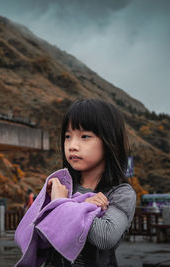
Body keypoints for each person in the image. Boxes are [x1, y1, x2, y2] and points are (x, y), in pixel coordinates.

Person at [44, 98, 136, 266]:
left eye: (85, 136)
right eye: (67, 136)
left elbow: (105, 236)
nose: (72, 146)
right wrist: (80, 205)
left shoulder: (120, 193)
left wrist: (61, 204)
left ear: (109, 141)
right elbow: (37, 232)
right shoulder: (62, 185)